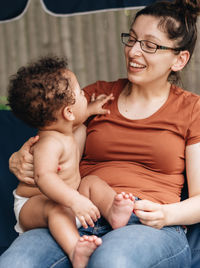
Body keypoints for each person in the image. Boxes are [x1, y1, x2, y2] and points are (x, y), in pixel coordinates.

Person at [1, 0, 200, 267]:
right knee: (16, 263)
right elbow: (50, 135)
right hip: (75, 212)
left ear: (179, 59)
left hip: (147, 221)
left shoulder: (192, 109)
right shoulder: (95, 96)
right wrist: (19, 158)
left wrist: (164, 214)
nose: (133, 51)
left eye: (149, 45)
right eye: (131, 39)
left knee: (111, 261)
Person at [6, 55, 121, 268]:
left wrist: (90, 109)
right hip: (33, 206)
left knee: (92, 182)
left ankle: (114, 212)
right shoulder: (49, 143)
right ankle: (75, 250)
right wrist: (74, 201)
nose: (84, 94)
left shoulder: (65, 127)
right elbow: (44, 177)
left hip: (67, 200)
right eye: (80, 93)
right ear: (68, 112)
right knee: (56, 208)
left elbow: (76, 117)